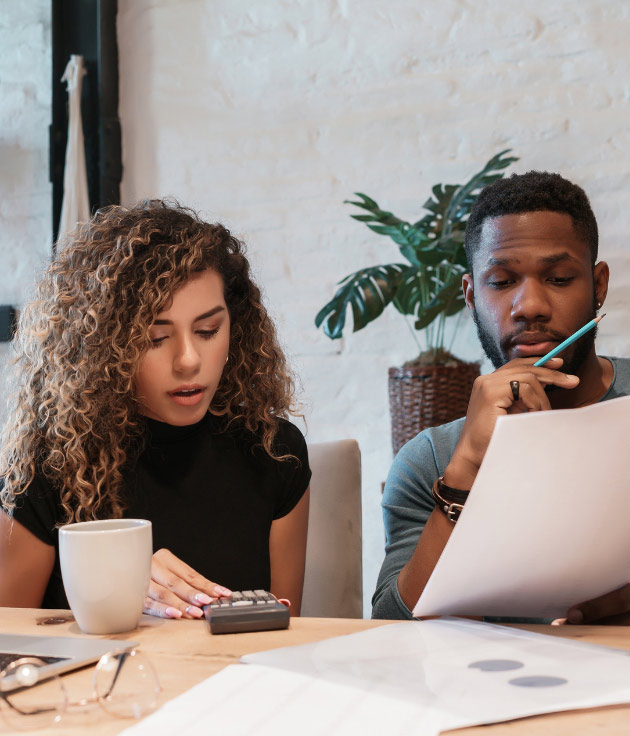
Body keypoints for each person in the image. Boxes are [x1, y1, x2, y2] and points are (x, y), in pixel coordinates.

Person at [0, 200, 311, 619]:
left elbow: (284, 631)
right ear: (103, 348)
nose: (188, 360)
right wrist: (111, 583)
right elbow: (8, 642)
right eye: (155, 338)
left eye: (207, 331)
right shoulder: (49, 463)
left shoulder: (275, 452)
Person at [372, 171, 630, 624]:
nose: (529, 305)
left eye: (558, 277)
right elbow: (391, 628)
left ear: (599, 286)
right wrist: (468, 465)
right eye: (502, 281)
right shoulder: (431, 461)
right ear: (470, 295)